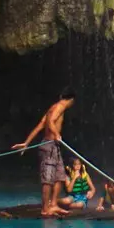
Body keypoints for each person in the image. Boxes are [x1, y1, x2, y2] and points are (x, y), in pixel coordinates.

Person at [13, 90, 77, 218]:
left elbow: (40, 125)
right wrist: (56, 134)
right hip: (49, 146)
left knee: (60, 176)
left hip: (55, 147)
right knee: (48, 180)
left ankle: (53, 204)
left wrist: (26, 143)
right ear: (71, 100)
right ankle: (45, 209)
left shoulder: (52, 108)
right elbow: (50, 122)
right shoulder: (60, 106)